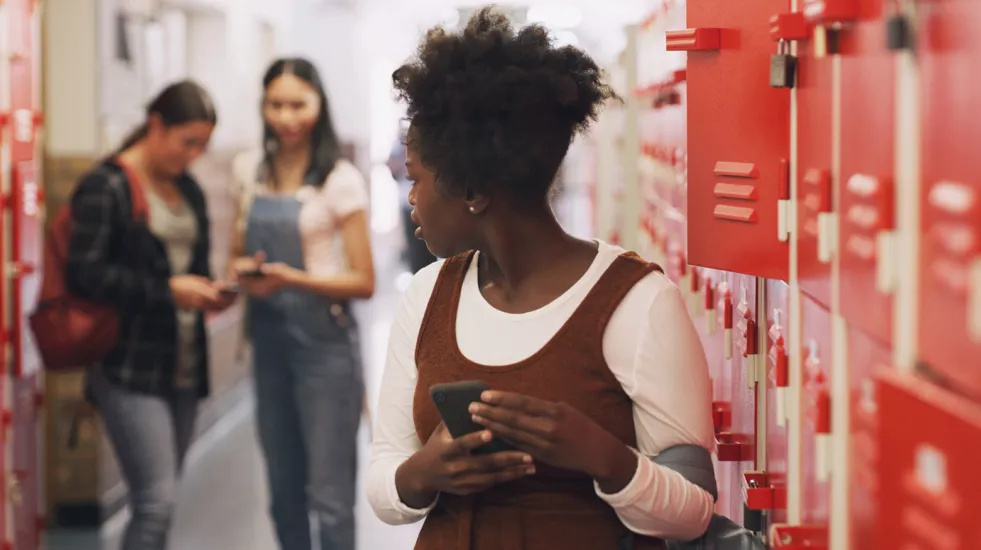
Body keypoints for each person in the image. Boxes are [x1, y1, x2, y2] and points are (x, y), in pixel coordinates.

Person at [366, 8, 715, 549]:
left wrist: (602, 456)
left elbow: (692, 511)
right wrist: (423, 474)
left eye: (417, 178)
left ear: (473, 189)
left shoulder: (636, 303)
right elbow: (386, 473)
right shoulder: (427, 294)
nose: (411, 197)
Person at [66, 80, 233, 550]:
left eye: (203, 144)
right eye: (188, 142)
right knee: (156, 502)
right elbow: (84, 274)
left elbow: (193, 270)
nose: (195, 154)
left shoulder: (189, 191)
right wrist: (166, 291)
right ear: (156, 126)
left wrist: (210, 292)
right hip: (127, 365)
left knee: (162, 500)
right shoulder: (108, 186)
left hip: (181, 363)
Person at [230, 57, 375, 550]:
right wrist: (242, 274)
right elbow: (234, 252)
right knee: (282, 490)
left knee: (331, 496)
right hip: (268, 342)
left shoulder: (340, 179)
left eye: (299, 104)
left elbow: (364, 279)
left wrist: (294, 280)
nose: (287, 117)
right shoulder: (248, 171)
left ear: (320, 105)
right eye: (276, 104)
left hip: (325, 346)